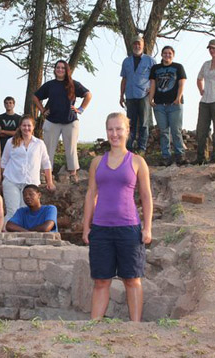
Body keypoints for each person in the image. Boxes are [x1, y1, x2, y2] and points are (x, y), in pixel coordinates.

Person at [82, 112, 152, 322]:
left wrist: (147, 227)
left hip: (129, 229)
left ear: (127, 131)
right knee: (101, 281)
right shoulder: (97, 162)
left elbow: (147, 196)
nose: (114, 134)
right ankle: (94, 327)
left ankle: (136, 327)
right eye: (110, 129)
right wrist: (86, 227)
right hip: (101, 229)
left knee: (132, 280)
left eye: (119, 129)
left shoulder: (138, 161)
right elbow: (91, 194)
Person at [33, 60, 92, 183]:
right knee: (48, 149)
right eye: (58, 68)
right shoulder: (50, 85)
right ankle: (46, 175)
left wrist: (80, 109)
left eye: (62, 68)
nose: (60, 70)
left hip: (70, 121)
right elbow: (35, 96)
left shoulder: (73, 84)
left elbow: (88, 94)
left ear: (66, 70)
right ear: (55, 70)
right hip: (52, 120)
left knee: (71, 148)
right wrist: (43, 110)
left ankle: (73, 174)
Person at [1, 115, 55, 223]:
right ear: (20, 127)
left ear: (33, 127)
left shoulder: (39, 143)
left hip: (30, 184)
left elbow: (46, 163)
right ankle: (0, 233)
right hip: (12, 181)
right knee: (13, 211)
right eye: (24, 125)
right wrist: (3, 178)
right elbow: (3, 162)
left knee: (24, 211)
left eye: (29, 125)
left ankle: (19, 236)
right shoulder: (11, 142)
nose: (26, 128)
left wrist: (50, 182)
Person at [149, 46, 187, 166]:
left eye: (169, 53)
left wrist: (178, 98)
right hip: (159, 104)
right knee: (164, 132)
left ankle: (180, 155)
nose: (167, 55)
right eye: (165, 53)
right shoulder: (155, 68)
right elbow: (153, 84)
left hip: (174, 104)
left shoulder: (178, 67)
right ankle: (166, 156)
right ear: (161, 55)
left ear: (173, 55)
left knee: (176, 130)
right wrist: (150, 99)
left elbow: (181, 84)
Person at [119, 35, 156, 155]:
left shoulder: (150, 61)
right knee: (130, 123)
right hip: (130, 96)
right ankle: (129, 148)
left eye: (139, 44)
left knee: (144, 123)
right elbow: (124, 79)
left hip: (144, 95)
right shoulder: (126, 61)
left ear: (143, 45)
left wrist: (151, 91)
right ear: (132, 46)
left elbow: (155, 79)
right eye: (135, 44)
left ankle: (142, 148)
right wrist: (121, 95)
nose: (137, 46)